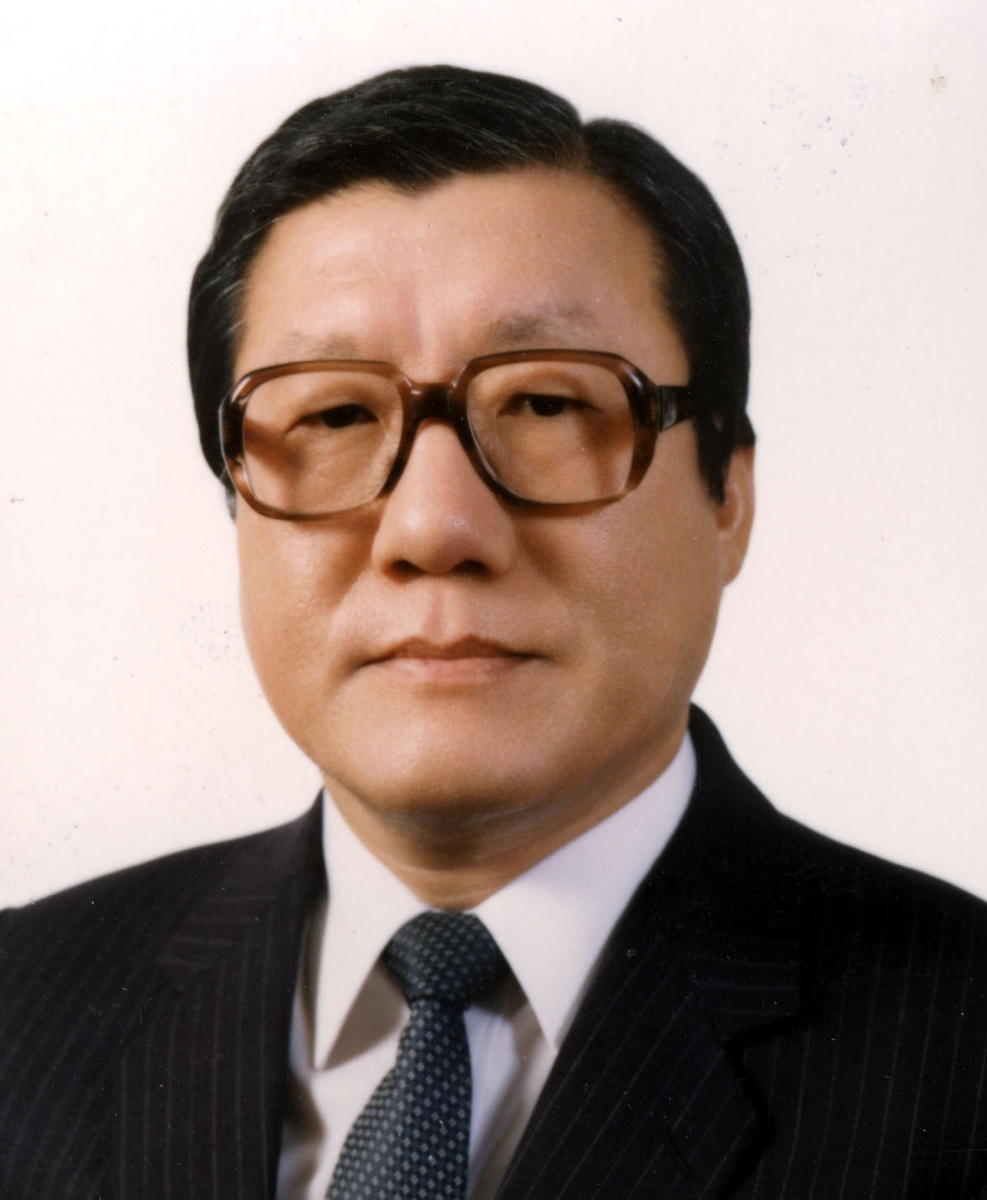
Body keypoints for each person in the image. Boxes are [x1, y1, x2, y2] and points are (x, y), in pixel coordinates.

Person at [1, 64, 985, 1200]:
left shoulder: (957, 1056)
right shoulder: (25, 1010)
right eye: (334, 413)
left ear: (728, 495)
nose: (433, 527)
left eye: (547, 405)